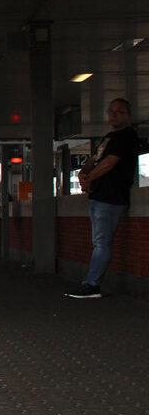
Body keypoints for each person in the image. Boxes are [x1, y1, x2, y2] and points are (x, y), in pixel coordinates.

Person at [68, 98, 140, 299]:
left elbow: (109, 163)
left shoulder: (127, 136)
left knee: (102, 242)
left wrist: (89, 178)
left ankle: (92, 284)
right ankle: (91, 283)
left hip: (112, 197)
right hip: (100, 197)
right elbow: (95, 159)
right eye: (111, 111)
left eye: (119, 111)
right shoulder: (109, 137)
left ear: (128, 115)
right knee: (99, 241)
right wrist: (83, 174)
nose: (114, 115)